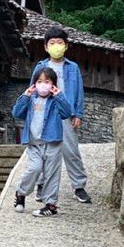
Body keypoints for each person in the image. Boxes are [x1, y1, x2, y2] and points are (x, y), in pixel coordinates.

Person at [30, 26, 92, 204]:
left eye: (59, 42)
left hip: (66, 113)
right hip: (44, 113)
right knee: (44, 151)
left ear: (65, 46)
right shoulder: (41, 67)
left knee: (71, 150)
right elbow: (32, 91)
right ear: (45, 47)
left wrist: (78, 113)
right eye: (52, 43)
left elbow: (78, 91)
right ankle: (42, 185)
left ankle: (79, 186)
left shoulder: (72, 68)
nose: (56, 45)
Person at [11, 67, 72, 217]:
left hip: (52, 142)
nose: (43, 84)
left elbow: (66, 113)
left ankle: (50, 206)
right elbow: (17, 113)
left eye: (47, 81)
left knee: (52, 173)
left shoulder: (56, 100)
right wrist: (25, 96)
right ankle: (21, 193)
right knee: (34, 168)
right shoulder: (31, 99)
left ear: (53, 84)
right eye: (39, 81)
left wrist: (59, 96)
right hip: (33, 143)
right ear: (34, 83)